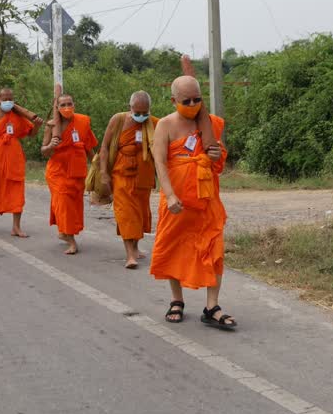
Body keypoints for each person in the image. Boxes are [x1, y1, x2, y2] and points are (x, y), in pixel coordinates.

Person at [149, 75, 235, 330]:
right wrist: (171, 194)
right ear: (173, 100)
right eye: (186, 100)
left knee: (214, 250)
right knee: (173, 247)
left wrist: (217, 155)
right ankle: (177, 300)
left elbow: (217, 163)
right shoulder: (165, 125)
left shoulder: (209, 124)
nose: (193, 104)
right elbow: (160, 163)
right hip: (176, 201)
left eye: (197, 99)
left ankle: (212, 307)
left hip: (206, 200)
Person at [99, 91, 159, 269]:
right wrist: (103, 172)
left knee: (139, 213)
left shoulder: (154, 123)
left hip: (144, 176)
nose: (141, 116)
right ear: (130, 108)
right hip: (122, 175)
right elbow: (105, 146)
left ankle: (136, 247)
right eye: (137, 112)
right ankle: (130, 255)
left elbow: (163, 148)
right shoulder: (118, 120)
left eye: (144, 112)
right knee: (126, 214)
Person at [0, 88, 43, 237]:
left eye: (10, 99)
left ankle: (16, 227)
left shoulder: (18, 117)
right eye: (5, 99)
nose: (8, 102)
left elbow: (31, 134)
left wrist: (36, 125)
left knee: (16, 191)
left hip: (14, 160)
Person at [41, 94, 98, 255]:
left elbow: (89, 147)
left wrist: (96, 165)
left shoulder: (82, 122)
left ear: (74, 104)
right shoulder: (52, 126)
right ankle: (71, 240)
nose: (67, 107)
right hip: (57, 172)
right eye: (63, 105)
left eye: (69, 104)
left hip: (77, 171)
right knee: (63, 202)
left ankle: (64, 231)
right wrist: (50, 146)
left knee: (73, 205)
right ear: (57, 108)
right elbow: (44, 151)